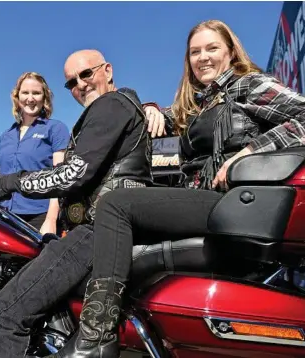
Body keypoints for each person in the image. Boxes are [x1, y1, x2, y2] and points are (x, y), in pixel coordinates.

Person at [46, 19, 305, 358]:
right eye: (195, 52)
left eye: (212, 48)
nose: (203, 57)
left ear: (230, 51)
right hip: (202, 198)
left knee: (116, 204)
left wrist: (250, 152)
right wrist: (151, 110)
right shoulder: (197, 104)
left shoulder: (247, 85)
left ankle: (95, 339)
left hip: (231, 201)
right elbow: (161, 119)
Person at [0, 49, 156, 358]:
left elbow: (72, 174)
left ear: (108, 71)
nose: (80, 85)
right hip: (102, 225)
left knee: (1, 316)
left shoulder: (111, 104)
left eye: (86, 74)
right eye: (72, 82)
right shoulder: (117, 106)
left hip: (98, 229)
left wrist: (5, 183)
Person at [0, 72, 70, 234]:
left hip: (39, 215)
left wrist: (51, 220)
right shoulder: (5, 136)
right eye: (25, 93)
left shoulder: (55, 129)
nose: (30, 98)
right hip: (5, 215)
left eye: (36, 93)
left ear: (45, 98)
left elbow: (61, 179)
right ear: (17, 97)